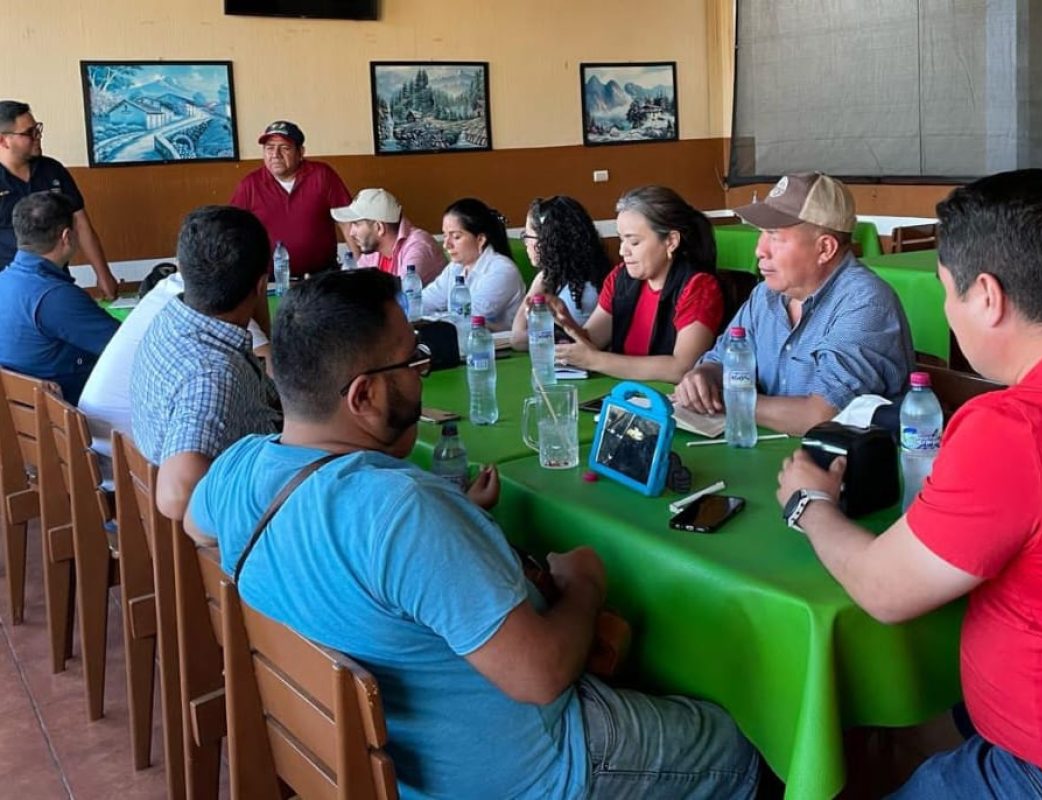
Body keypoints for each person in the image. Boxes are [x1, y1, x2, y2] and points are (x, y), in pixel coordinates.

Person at [184, 269, 761, 799]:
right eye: (412, 363)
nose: (421, 376)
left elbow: (195, 525)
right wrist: (583, 585)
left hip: (373, 760)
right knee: (742, 746)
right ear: (363, 396)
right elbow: (541, 676)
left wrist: (444, 528)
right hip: (528, 770)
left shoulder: (238, 467)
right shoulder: (402, 511)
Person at [774, 169, 1042, 800]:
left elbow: (883, 590)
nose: (949, 313)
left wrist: (809, 503)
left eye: (948, 293)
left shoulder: (1018, 426)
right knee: (902, 729)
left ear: (988, 297)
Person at [675, 172, 912, 434]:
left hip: (841, 455)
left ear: (825, 249)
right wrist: (703, 376)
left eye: (774, 236)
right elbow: (721, 359)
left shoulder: (866, 303)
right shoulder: (765, 295)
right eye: (762, 234)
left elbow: (821, 415)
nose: (759, 250)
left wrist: (729, 400)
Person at [130, 206, 282, 520]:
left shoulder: (173, 318)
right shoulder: (211, 377)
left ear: (181, 269)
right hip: (245, 532)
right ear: (260, 287)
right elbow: (177, 496)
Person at [80, 261, 271, 479]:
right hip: (125, 476)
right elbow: (279, 379)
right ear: (260, 284)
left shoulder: (172, 302)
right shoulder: (216, 315)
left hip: (117, 459)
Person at [551, 186, 724, 383]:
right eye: (621, 240)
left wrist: (595, 360)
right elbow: (592, 341)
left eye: (633, 242)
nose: (623, 251)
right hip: (623, 392)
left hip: (668, 396)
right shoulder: (620, 278)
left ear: (671, 241)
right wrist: (565, 320)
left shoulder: (698, 287)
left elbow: (682, 367)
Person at [0, 192, 118, 403]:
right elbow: (126, 346)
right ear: (66, 237)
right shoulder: (55, 296)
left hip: (24, 411)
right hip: (73, 410)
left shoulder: (5, 280)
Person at [0, 100, 117, 299]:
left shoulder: (52, 170)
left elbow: (80, 223)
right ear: (4, 141)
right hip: (10, 288)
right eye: (29, 133)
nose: (38, 136)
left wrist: (103, 273)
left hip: (56, 282)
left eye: (37, 129)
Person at [230, 120, 357, 277]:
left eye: (285, 148)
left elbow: (347, 223)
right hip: (270, 280)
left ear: (300, 152)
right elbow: (232, 232)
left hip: (322, 277)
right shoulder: (249, 185)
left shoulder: (322, 175)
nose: (275, 155)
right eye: (269, 148)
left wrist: (362, 266)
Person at [511, 195, 607, 349]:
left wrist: (540, 281)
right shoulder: (564, 278)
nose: (526, 244)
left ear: (548, 241)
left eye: (527, 236)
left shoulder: (580, 292)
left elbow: (518, 338)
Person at [422, 197, 525, 329]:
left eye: (456, 237)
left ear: (480, 239)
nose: (446, 245)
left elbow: (469, 319)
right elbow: (423, 302)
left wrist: (433, 318)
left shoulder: (501, 270)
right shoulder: (455, 268)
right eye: (445, 235)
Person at [332, 187, 446, 284]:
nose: (351, 233)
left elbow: (401, 294)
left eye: (356, 224)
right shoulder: (374, 251)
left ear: (379, 228)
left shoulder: (418, 247)